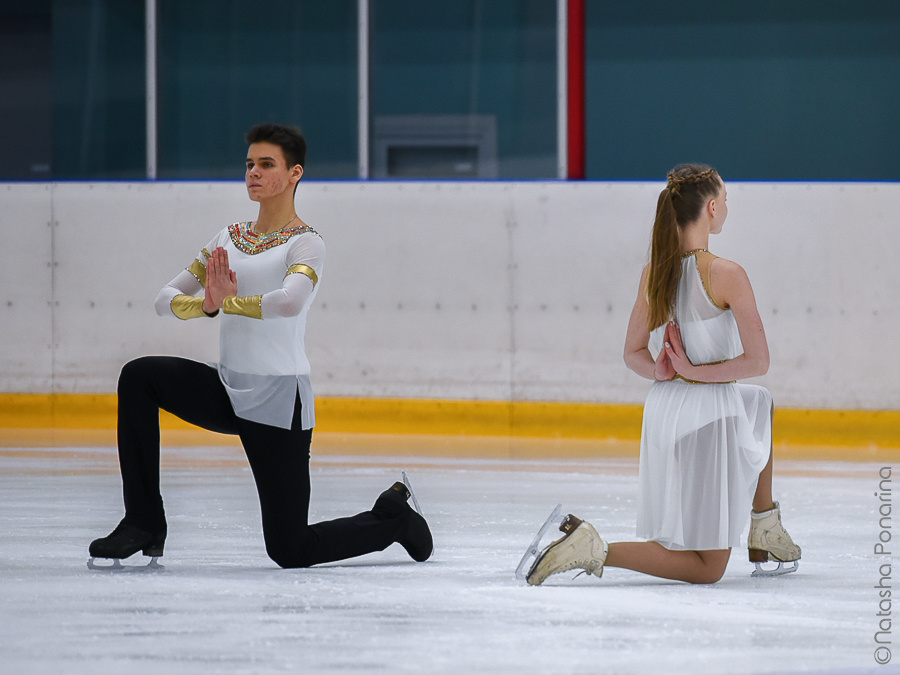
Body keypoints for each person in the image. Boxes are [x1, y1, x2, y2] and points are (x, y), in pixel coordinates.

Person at [89, 123, 432, 569]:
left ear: (294, 174)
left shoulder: (306, 243)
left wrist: (225, 302)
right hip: (227, 388)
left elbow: (289, 303)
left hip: (277, 402)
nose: (253, 172)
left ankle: (393, 520)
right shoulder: (227, 238)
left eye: (266, 164)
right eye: (250, 164)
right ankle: (143, 522)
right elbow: (164, 301)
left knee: (290, 549)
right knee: (139, 376)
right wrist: (206, 307)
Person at [525, 163, 800, 585]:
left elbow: (632, 353)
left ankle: (764, 523)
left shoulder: (656, 271)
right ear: (711, 208)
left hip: (667, 412)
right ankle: (593, 547)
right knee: (708, 568)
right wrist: (692, 370)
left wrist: (660, 369)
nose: (727, 207)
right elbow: (758, 361)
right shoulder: (726, 274)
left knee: (758, 401)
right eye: (725, 200)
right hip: (706, 417)